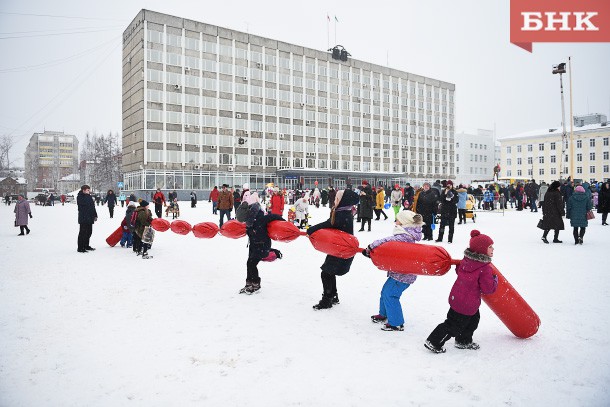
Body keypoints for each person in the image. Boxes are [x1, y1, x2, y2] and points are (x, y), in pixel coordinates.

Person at [425, 230, 498, 353]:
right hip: (467, 303)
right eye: (490, 246)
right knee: (453, 325)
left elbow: (459, 271)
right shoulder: (484, 268)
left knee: (473, 320)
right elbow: (488, 289)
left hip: (458, 298)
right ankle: (434, 341)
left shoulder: (466, 261)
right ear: (481, 250)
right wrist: (494, 279)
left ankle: (463, 341)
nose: (493, 249)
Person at [365, 210, 423, 331]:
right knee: (385, 292)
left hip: (403, 275)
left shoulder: (404, 236)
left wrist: (371, 247)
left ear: (403, 223)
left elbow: (386, 241)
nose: (395, 222)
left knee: (390, 294)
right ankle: (384, 314)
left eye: (397, 220)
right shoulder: (408, 234)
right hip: (400, 272)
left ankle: (396, 322)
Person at [307, 188, 360, 310]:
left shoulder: (342, 214)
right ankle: (333, 296)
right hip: (338, 248)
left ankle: (327, 300)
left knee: (326, 273)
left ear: (343, 200)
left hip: (340, 249)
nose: (335, 200)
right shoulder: (344, 211)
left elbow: (328, 224)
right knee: (329, 272)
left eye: (337, 198)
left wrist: (311, 230)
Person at [235, 201, 285, 294]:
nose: (244, 222)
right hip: (253, 244)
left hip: (262, 244)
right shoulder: (249, 221)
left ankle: (256, 284)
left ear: (247, 215)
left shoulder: (260, 218)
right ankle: (249, 284)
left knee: (252, 264)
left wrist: (284, 225)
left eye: (244, 220)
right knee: (249, 263)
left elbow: (275, 216)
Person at [77, 185, 98, 253]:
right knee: (83, 233)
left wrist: (95, 215)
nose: (89, 191)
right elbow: (84, 204)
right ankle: (80, 247)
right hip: (83, 217)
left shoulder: (89, 196)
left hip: (90, 217)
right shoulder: (80, 196)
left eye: (89, 190)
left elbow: (92, 206)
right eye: (88, 190)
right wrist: (87, 196)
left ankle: (86, 245)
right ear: (83, 190)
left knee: (89, 232)